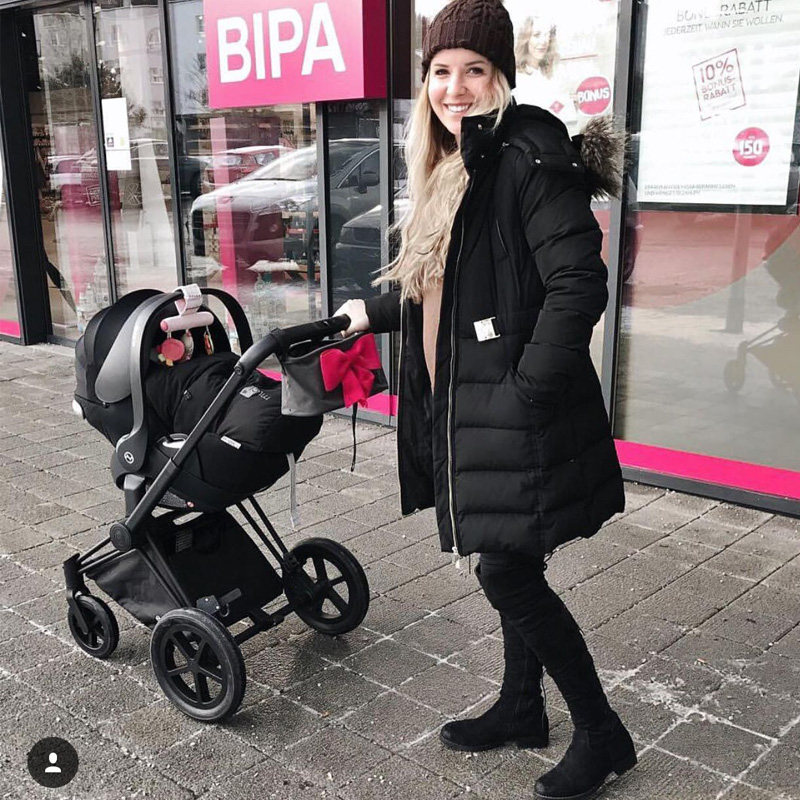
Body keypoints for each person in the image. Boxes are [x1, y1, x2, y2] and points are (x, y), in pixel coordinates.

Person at [335, 1, 636, 798]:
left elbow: (579, 283)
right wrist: (372, 310)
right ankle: (521, 707)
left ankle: (601, 733)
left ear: (500, 77)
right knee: (513, 556)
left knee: (505, 571)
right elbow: (444, 287)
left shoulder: (527, 156)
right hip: (477, 406)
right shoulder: (457, 164)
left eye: (474, 69)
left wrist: (526, 389)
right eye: (441, 70)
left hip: (514, 409)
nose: (455, 86)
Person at [513, 14, 577, 130]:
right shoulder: (517, 77)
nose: (543, 41)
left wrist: (568, 104)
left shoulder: (554, 73)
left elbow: (563, 108)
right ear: (526, 39)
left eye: (547, 35)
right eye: (537, 35)